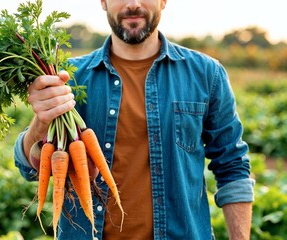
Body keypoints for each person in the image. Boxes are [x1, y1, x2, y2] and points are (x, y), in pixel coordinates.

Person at [14, 0, 255, 239]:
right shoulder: (69, 78)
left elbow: (232, 166)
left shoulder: (206, 74)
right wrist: (42, 120)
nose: (133, 4)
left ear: (163, 1)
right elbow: (28, 166)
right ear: (103, 2)